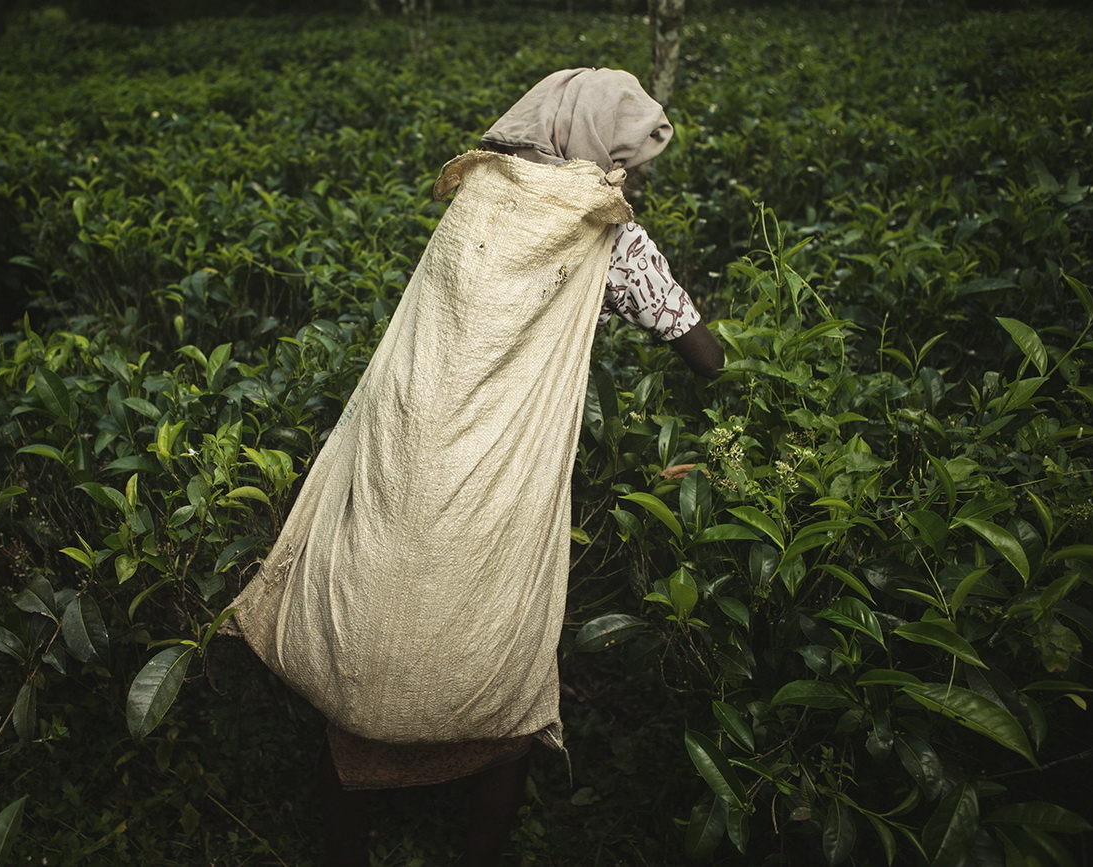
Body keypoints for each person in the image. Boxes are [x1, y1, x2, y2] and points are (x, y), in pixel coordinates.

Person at [225, 68, 723, 866]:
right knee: (500, 650)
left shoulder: (480, 196)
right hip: (501, 482)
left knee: (377, 620)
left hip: (409, 458)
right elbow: (706, 356)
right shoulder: (614, 241)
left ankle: (346, 839)